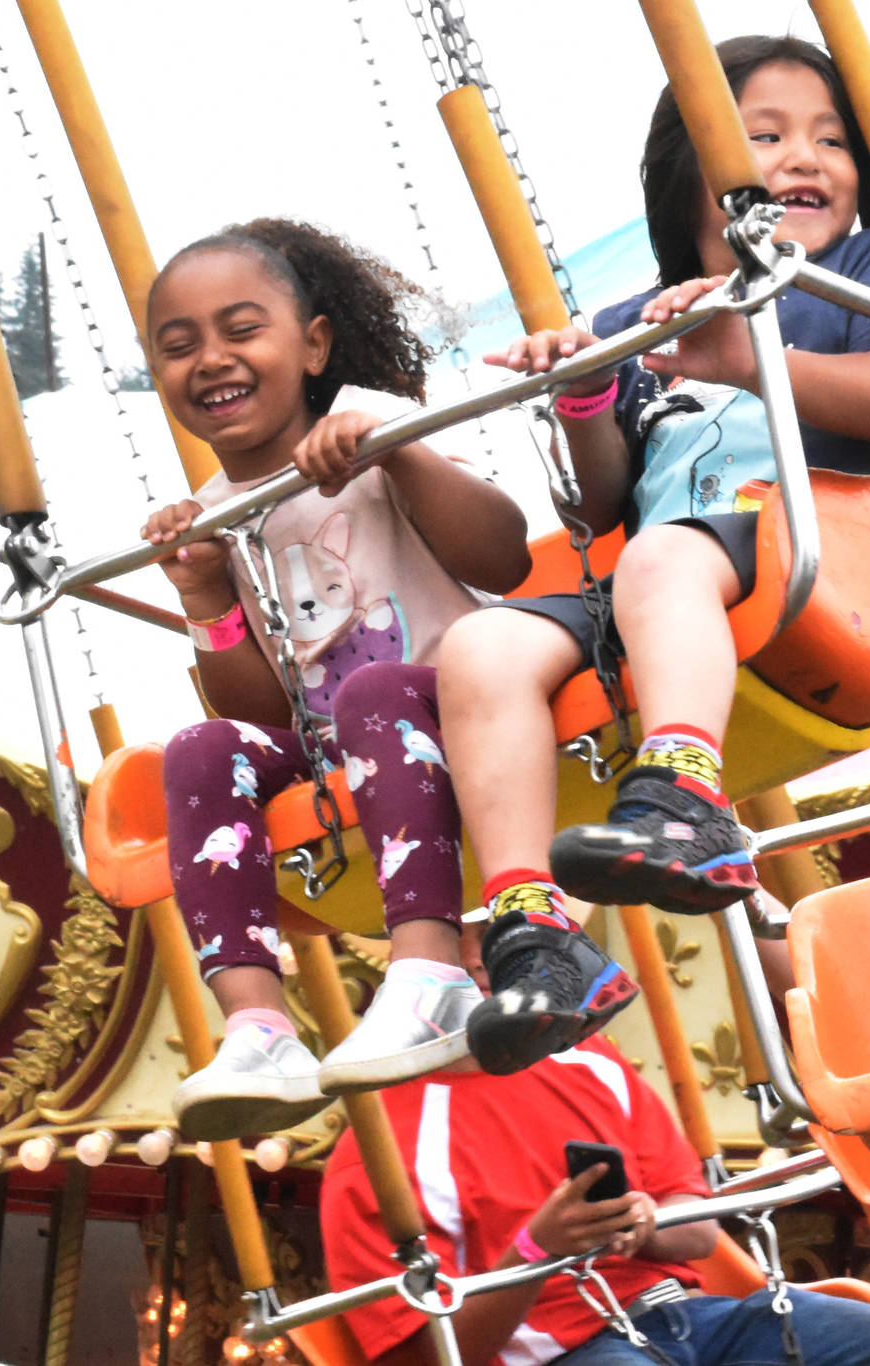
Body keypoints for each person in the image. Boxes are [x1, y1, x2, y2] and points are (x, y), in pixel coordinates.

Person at [437, 35, 870, 1075]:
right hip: (657, 564)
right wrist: (586, 390)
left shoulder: (866, 270)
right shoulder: (637, 317)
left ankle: (686, 791)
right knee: (481, 648)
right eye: (763, 137)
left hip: (801, 548)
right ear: (698, 174)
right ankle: (535, 935)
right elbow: (601, 502)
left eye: (827, 139)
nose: (803, 159)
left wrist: (744, 357)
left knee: (662, 560)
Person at [142, 218, 532, 1140]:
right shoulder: (216, 518)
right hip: (336, 755)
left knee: (373, 690)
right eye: (178, 345)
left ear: (313, 343)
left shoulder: (376, 426)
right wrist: (205, 592)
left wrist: (400, 450)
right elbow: (261, 708)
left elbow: (505, 556)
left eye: (242, 331)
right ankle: (257, 1025)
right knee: (201, 747)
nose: (211, 360)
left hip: (455, 707)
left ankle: (431, 969)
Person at [320, 924, 870, 1366]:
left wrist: (643, 1220)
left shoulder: (589, 1060)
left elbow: (696, 1234)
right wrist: (538, 1251)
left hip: (700, 1318)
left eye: (488, 935)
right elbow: (424, 1355)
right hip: (566, 1355)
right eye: (447, 941)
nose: (472, 959)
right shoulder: (372, 1151)